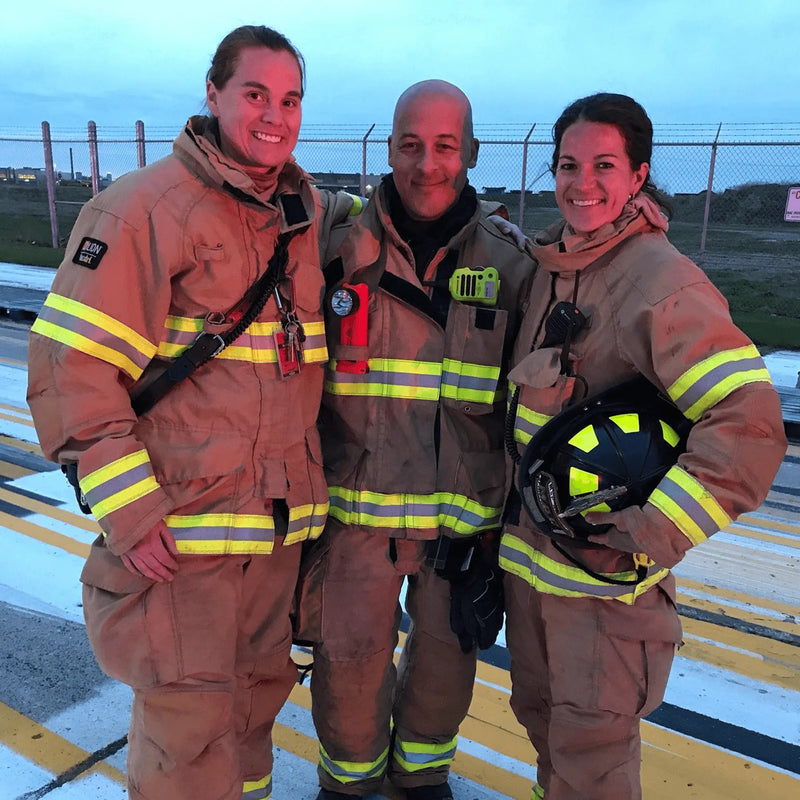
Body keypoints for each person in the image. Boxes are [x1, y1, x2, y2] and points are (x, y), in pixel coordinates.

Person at [26, 25, 359, 800]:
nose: (274, 115)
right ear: (212, 95)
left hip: (274, 539)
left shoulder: (302, 217)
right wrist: (131, 514)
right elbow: (69, 370)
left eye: (290, 99)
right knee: (185, 742)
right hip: (180, 544)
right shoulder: (145, 211)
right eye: (254, 94)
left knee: (248, 723)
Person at [500, 92, 788, 800]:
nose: (582, 183)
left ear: (639, 176)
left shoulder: (660, 282)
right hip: (535, 578)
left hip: (603, 600)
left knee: (592, 764)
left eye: (604, 165)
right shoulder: (553, 268)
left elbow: (748, 421)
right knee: (545, 736)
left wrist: (653, 528)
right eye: (568, 165)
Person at [311, 80, 535, 800]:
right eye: (410, 144)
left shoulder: (513, 263)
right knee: (349, 666)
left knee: (445, 668)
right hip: (357, 516)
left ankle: (422, 776)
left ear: (471, 152)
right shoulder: (335, 246)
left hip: (460, 526)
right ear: (389, 149)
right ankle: (348, 783)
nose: (426, 163)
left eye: (444, 146)